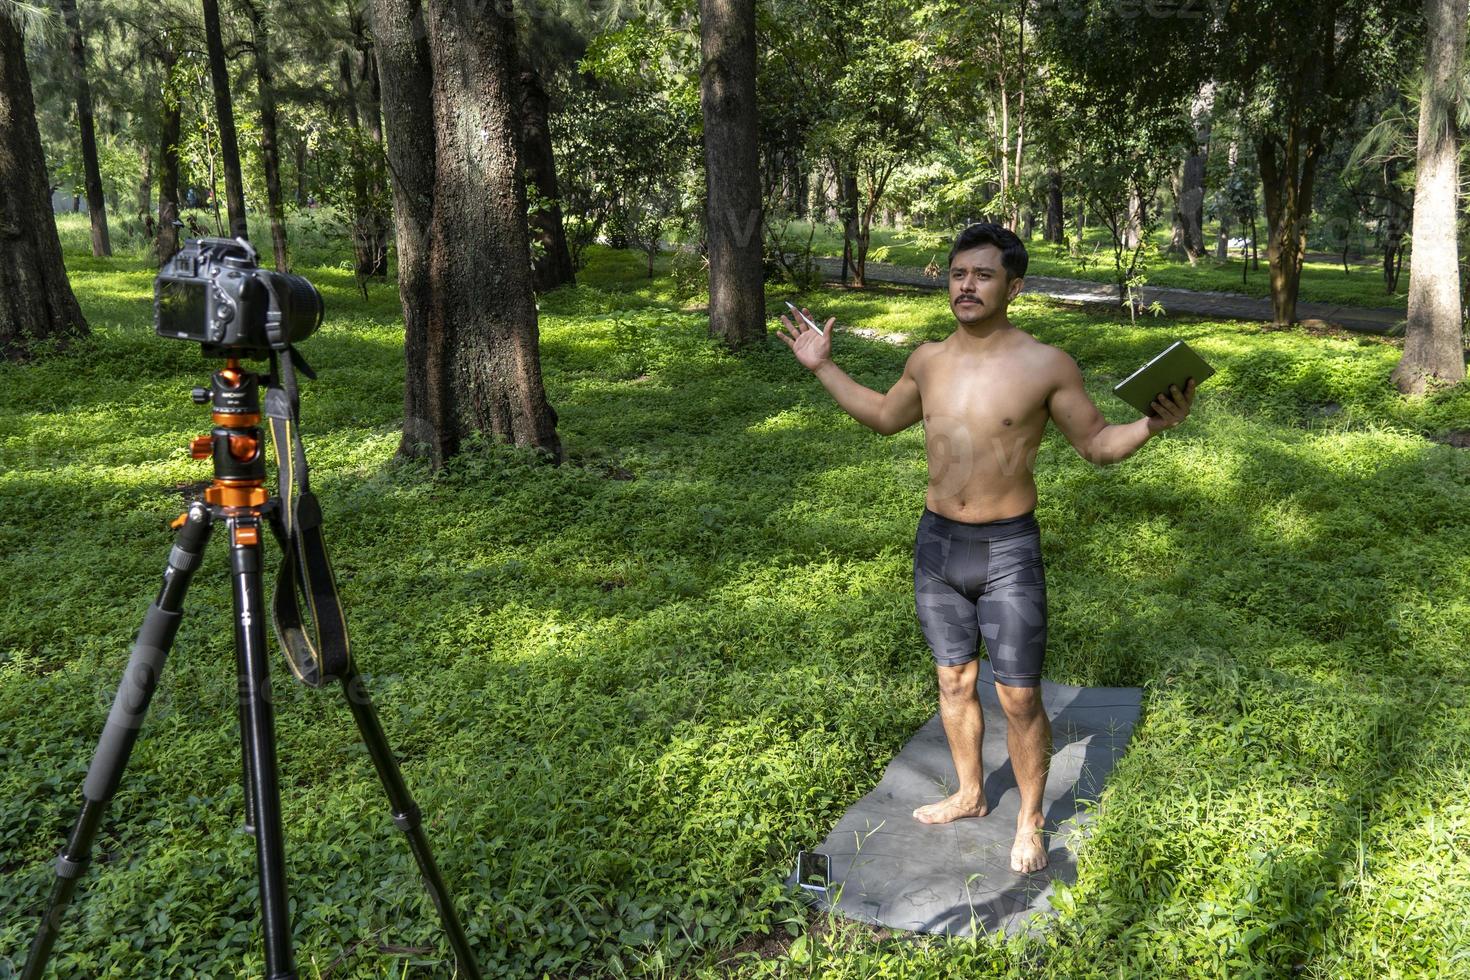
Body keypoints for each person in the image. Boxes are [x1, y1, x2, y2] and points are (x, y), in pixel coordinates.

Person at [777, 222, 1197, 874]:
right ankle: (971, 794)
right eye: (957, 274)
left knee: (1020, 697)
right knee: (953, 679)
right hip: (938, 546)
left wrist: (1148, 423)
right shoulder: (927, 359)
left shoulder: (1046, 364)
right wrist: (824, 367)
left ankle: (1029, 818)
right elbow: (886, 418)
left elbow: (1097, 447)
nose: (966, 286)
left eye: (983, 274)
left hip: (1007, 551)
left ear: (1014, 285)